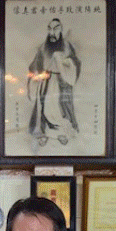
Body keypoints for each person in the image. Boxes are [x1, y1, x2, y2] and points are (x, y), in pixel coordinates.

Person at [28, 18, 81, 146]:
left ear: (61, 29)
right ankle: (43, 133)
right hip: (45, 82)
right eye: (50, 28)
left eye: (56, 28)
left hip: (61, 82)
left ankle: (62, 133)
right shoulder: (43, 47)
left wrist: (63, 61)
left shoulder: (67, 46)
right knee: (44, 109)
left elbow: (75, 63)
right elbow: (35, 65)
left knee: (59, 110)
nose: (52, 32)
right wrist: (38, 75)